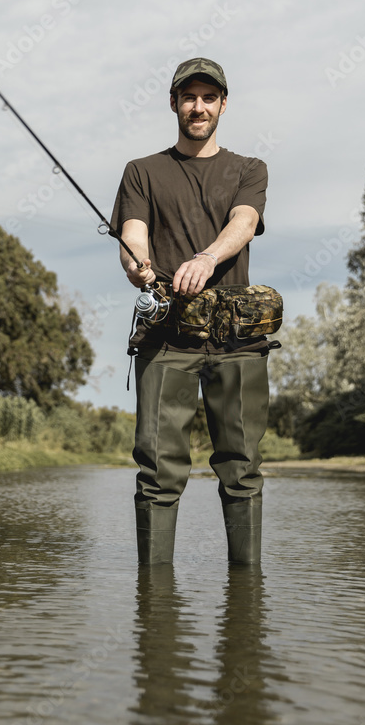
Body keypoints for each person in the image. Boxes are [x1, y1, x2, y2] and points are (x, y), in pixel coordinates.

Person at [111, 57, 276, 566]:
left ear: (223, 104)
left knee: (242, 467)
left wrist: (206, 258)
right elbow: (132, 235)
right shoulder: (142, 172)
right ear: (174, 104)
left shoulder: (249, 169)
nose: (198, 106)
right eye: (189, 97)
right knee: (158, 471)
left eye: (209, 97)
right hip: (166, 338)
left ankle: (246, 599)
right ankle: (154, 608)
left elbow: (244, 222)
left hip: (237, 342)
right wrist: (137, 266)